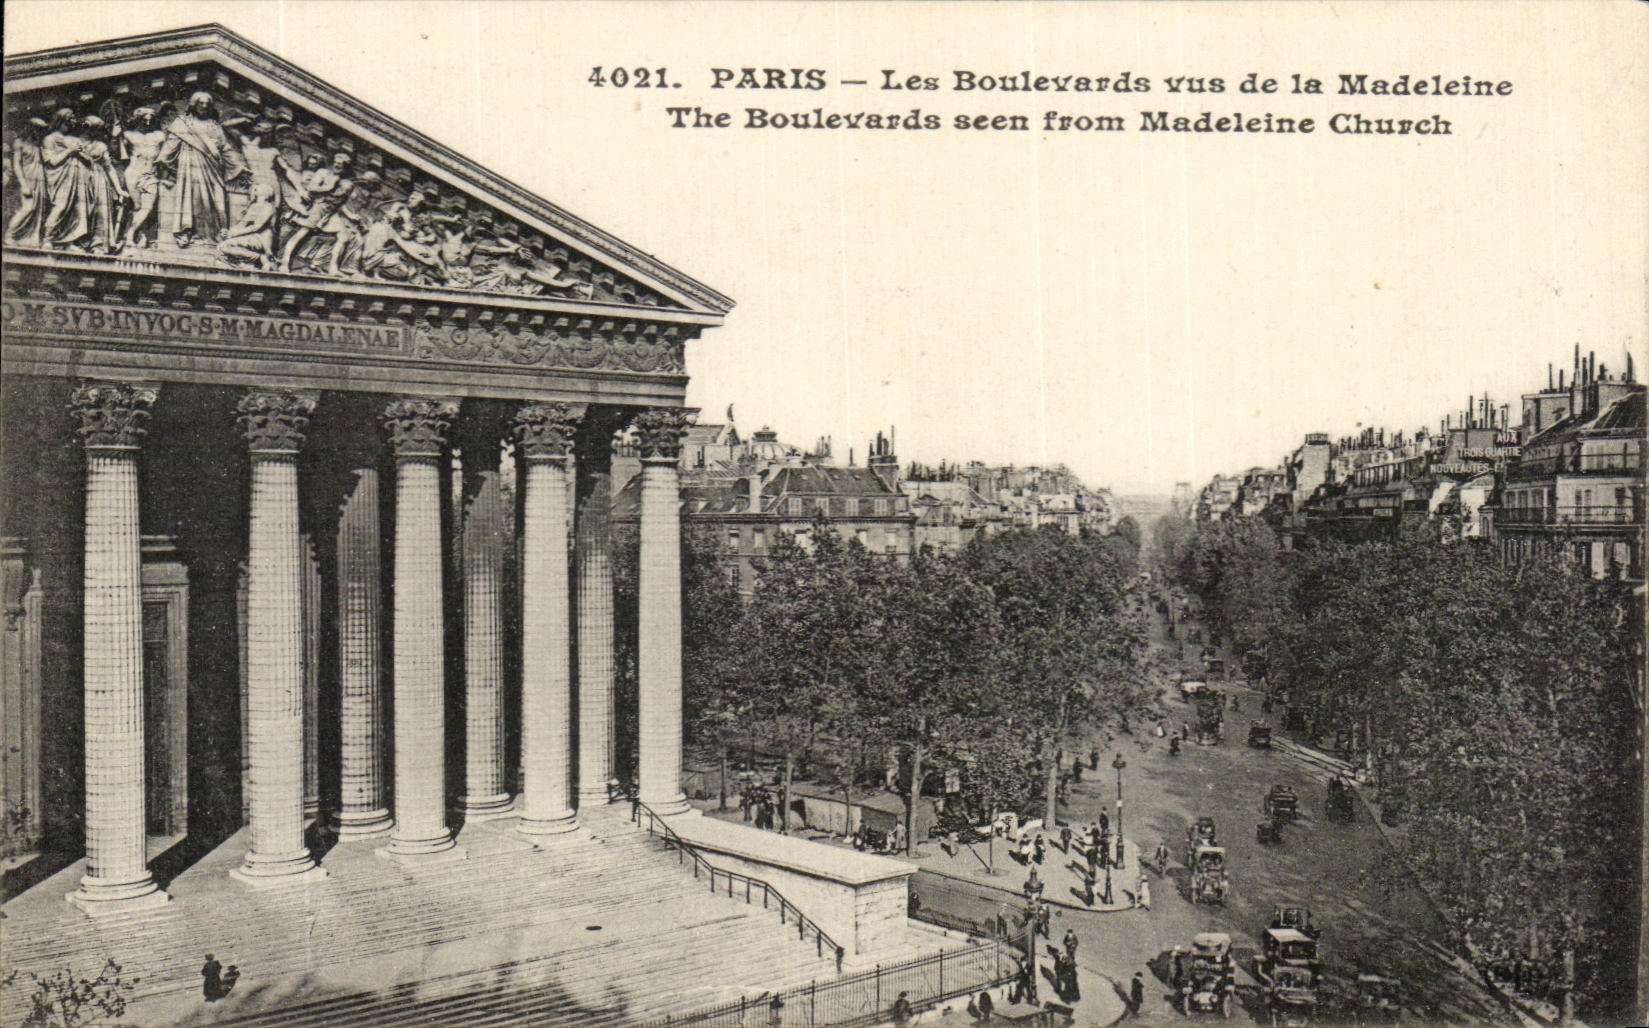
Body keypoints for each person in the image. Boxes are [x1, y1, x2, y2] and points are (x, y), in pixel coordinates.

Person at [154, 92, 250, 246]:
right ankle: (192, 234)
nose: (204, 106)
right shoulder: (182, 123)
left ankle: (216, 234)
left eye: (207, 104)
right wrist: (162, 161)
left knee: (218, 202)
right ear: (193, 105)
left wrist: (239, 167)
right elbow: (171, 144)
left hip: (213, 168)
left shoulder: (214, 126)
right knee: (195, 200)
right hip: (190, 167)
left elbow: (225, 148)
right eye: (201, 103)